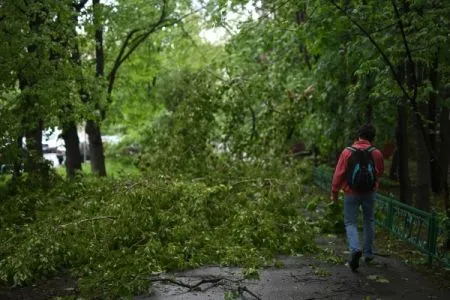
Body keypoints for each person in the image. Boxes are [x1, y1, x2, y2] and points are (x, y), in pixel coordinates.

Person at [330, 124, 384, 271]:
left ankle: (355, 249)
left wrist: (334, 192)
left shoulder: (347, 152)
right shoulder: (376, 153)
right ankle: (368, 254)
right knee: (369, 220)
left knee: (350, 222)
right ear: (372, 138)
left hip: (350, 193)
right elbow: (379, 173)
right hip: (369, 193)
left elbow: (339, 174)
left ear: (358, 135)